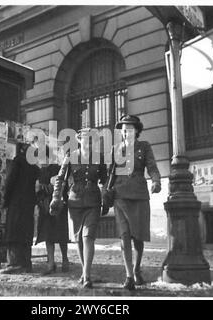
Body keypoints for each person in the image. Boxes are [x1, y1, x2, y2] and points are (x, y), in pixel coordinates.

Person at [107, 115, 161, 290]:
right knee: (124, 236)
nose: (126, 132)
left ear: (136, 131)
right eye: (124, 130)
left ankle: (136, 270)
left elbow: (152, 166)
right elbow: (110, 174)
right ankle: (129, 275)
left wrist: (156, 181)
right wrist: (105, 191)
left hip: (139, 195)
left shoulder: (144, 147)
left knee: (138, 237)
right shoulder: (115, 149)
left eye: (130, 129)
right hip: (120, 195)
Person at [50, 128, 107, 288]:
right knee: (78, 239)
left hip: (93, 202)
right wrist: (56, 196)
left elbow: (105, 181)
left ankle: (87, 275)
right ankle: (84, 272)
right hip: (74, 202)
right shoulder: (71, 157)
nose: (88, 142)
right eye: (85, 139)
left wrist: (106, 197)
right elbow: (60, 179)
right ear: (80, 140)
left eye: (91, 139)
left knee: (88, 237)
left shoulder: (100, 158)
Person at [0, 143, 40, 274]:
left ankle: (14, 264)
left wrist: (5, 200)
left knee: (13, 232)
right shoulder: (34, 167)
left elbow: (10, 181)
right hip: (28, 205)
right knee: (26, 233)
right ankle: (26, 264)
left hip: (16, 203)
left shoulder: (18, 161)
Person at [35, 147, 70, 275]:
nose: (40, 160)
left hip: (57, 205)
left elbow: (61, 186)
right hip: (45, 207)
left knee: (60, 235)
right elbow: (38, 190)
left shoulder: (56, 168)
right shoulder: (40, 171)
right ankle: (51, 262)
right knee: (48, 235)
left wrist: (45, 188)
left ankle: (64, 260)